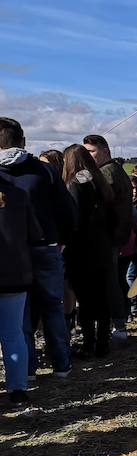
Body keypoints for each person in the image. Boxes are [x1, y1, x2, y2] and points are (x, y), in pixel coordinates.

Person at [0, 117, 76, 379]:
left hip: (10, 251)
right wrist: (62, 238)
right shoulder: (44, 171)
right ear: (22, 140)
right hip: (46, 245)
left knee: (18, 313)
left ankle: (27, 369)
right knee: (53, 307)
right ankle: (61, 365)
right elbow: (67, 209)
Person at [62, 144, 114, 358]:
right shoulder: (97, 180)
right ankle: (102, 344)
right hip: (101, 246)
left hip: (81, 249)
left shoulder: (76, 183)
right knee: (101, 298)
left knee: (85, 300)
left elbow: (75, 219)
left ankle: (89, 345)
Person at [83, 134, 134, 342]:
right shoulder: (112, 170)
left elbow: (97, 203)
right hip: (113, 235)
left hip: (108, 236)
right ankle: (118, 323)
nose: (88, 156)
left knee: (109, 282)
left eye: (91, 152)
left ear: (105, 152)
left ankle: (118, 325)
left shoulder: (108, 172)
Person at [0, 168, 43, 405]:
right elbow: (35, 233)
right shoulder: (17, 193)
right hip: (15, 272)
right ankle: (17, 389)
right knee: (13, 333)